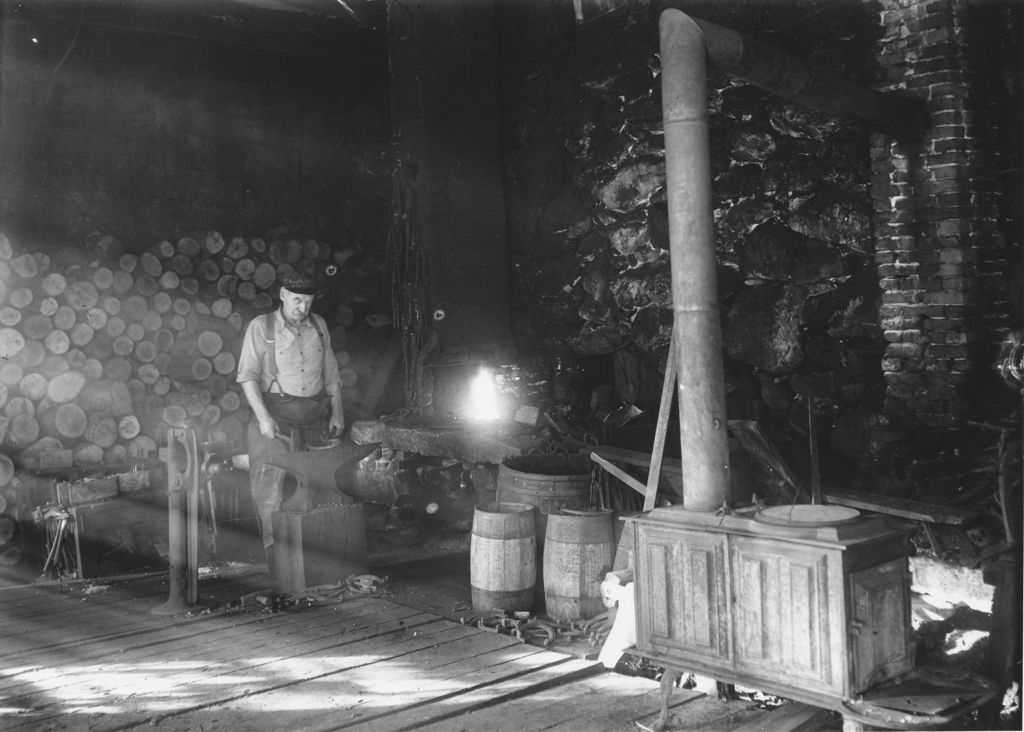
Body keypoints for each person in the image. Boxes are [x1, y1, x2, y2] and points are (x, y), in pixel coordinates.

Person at [236, 271, 344, 559]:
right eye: (297, 300)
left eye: (308, 302)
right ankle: (276, 557)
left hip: (313, 418)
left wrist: (337, 411)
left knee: (318, 485)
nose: (303, 308)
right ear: (282, 295)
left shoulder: (318, 325)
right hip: (275, 418)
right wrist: (263, 418)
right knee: (269, 489)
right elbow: (247, 377)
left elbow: (331, 372)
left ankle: (317, 552)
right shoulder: (261, 327)